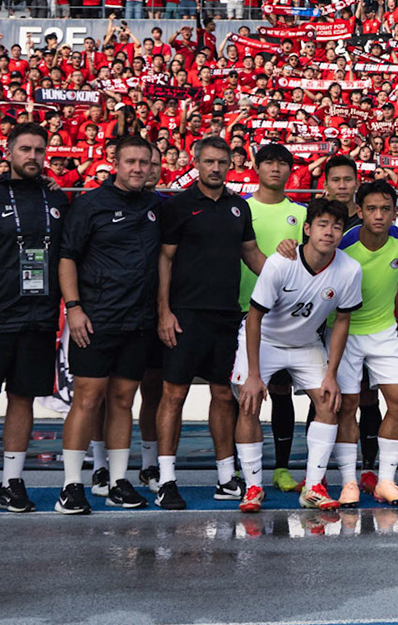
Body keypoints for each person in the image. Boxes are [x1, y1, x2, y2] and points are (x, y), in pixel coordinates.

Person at [0, 121, 65, 517]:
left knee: (23, 399)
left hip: (39, 317)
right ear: (9, 153)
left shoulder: (57, 200)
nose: (33, 157)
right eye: (25, 150)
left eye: (39, 150)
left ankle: (11, 483)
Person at [154, 135, 266, 510]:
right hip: (184, 315)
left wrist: (294, 282)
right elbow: (164, 260)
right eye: (209, 162)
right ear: (196, 162)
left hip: (225, 315)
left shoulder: (239, 207)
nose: (216, 168)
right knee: (174, 395)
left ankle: (225, 477)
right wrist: (164, 312)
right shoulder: (179, 206)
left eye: (222, 162)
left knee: (222, 395)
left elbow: (252, 255)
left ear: (230, 164)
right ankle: (167, 480)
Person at [232, 198, 363, 512]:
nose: (329, 232)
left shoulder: (349, 269)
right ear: (307, 229)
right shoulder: (281, 263)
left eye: (336, 226)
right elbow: (254, 316)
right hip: (263, 340)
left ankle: (314, 486)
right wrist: (253, 374)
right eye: (322, 225)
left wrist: (331, 373)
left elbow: (342, 320)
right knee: (248, 402)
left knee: (330, 400)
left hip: (305, 344)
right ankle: (252, 488)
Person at [55, 135, 162, 515]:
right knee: (87, 400)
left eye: (143, 162)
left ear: (152, 166)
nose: (137, 168)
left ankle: (118, 481)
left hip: (138, 322)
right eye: (130, 161)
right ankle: (71, 486)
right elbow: (66, 258)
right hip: (95, 320)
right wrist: (74, 308)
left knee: (122, 401)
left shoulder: (156, 205)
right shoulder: (89, 205)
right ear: (114, 162)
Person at [336, 180, 398, 503]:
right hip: (345, 331)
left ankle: (385, 480)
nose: (379, 215)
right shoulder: (344, 244)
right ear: (359, 211)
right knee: (347, 406)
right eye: (371, 209)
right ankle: (348, 483)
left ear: (396, 212)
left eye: (386, 209)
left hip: (384, 333)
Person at [244, 143, 306, 492]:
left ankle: (282, 468)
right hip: (241, 309)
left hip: (284, 316)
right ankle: (241, 470)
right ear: (256, 167)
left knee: (281, 391)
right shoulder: (241, 209)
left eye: (283, 164)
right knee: (237, 395)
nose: (276, 169)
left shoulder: (300, 213)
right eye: (269, 162)